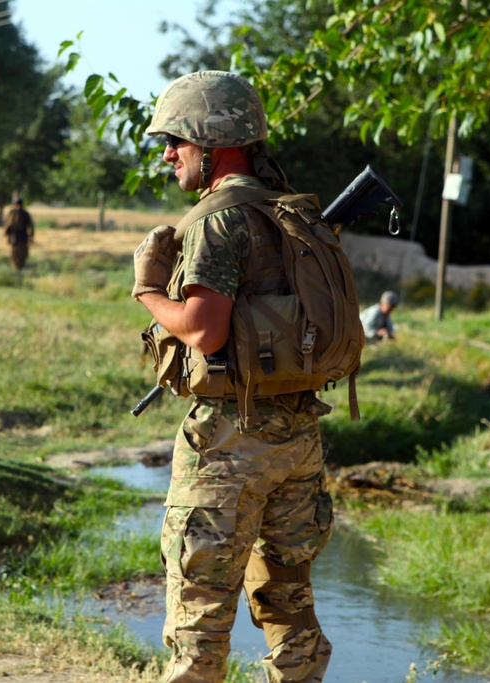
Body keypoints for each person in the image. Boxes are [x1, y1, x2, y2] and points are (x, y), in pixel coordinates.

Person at [131, 71, 334, 683]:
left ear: (211, 142)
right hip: (298, 436)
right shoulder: (289, 210)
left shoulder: (216, 219)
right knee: (290, 607)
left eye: (176, 141)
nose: (168, 154)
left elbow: (202, 330)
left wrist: (146, 287)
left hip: (228, 444)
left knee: (199, 624)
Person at [4, 198, 34, 270]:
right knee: (20, 252)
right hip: (21, 236)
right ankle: (18, 266)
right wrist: (31, 235)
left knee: (16, 252)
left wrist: (7, 234)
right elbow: (30, 226)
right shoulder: (24, 213)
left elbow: (8, 225)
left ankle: (17, 266)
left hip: (15, 236)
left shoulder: (12, 213)